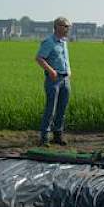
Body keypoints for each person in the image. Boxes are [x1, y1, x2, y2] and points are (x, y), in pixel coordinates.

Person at [34, 17, 72, 147]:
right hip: (53, 80)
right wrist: (51, 71)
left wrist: (69, 71)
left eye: (68, 26)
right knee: (51, 108)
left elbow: (65, 59)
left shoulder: (63, 42)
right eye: (65, 26)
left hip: (65, 79)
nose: (68, 29)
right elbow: (39, 58)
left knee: (62, 108)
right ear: (57, 27)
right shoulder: (49, 42)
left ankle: (58, 134)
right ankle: (44, 137)